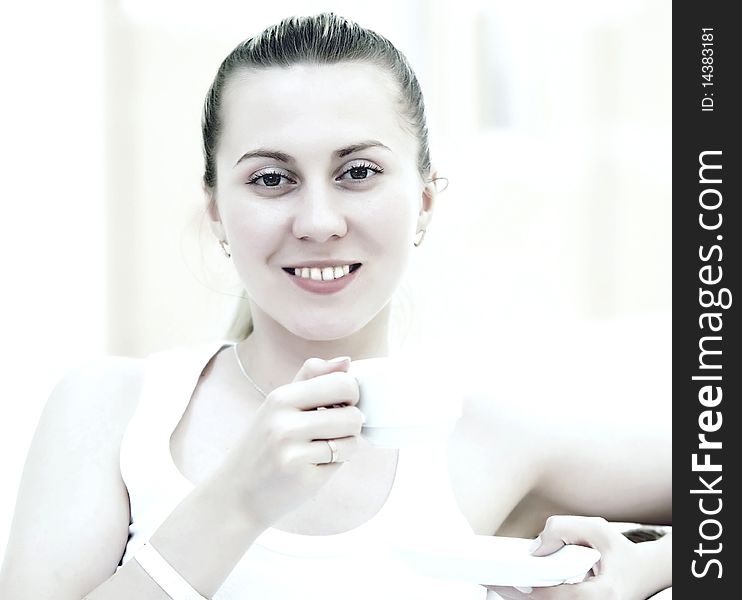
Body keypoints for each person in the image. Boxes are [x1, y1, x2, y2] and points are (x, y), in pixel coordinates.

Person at [0, 12, 671, 600]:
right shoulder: (116, 412)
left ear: (426, 201)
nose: (318, 221)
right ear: (217, 213)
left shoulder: (489, 434)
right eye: (271, 178)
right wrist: (236, 502)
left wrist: (644, 572)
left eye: (358, 173)